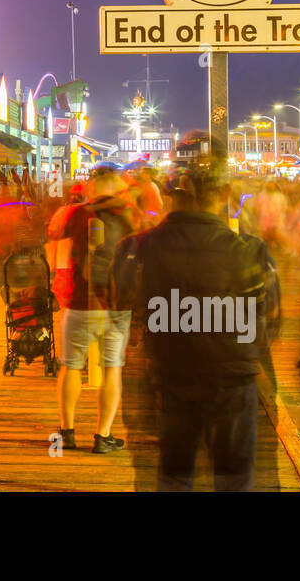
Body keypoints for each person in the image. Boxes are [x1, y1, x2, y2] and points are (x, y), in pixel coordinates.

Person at [116, 159, 279, 490]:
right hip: (233, 383)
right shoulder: (252, 252)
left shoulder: (136, 249)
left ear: (168, 193)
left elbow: (119, 304)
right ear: (225, 192)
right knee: (235, 480)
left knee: (173, 477)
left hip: (166, 380)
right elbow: (270, 326)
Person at [53, 168, 136, 454]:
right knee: (113, 368)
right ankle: (103, 436)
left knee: (71, 366)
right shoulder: (128, 215)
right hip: (115, 302)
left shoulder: (77, 214)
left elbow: (56, 241)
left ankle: (67, 433)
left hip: (80, 300)